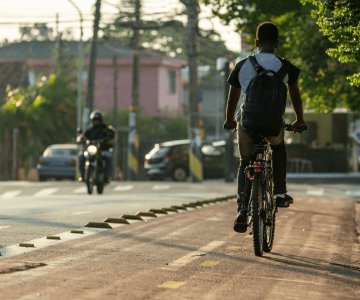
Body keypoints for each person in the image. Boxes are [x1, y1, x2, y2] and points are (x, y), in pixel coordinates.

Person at [223, 21, 307, 233]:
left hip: (248, 123)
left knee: (245, 162)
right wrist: (299, 120)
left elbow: (232, 99)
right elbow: (296, 98)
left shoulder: (242, 65)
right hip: (273, 124)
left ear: (257, 42)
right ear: (277, 43)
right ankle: (279, 193)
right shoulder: (285, 67)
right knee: (278, 149)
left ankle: (242, 209)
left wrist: (230, 120)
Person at [77, 110, 115, 183]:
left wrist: (109, 139)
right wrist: (80, 139)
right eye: (94, 120)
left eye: (97, 120)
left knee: (109, 157)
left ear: (100, 120)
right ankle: (82, 175)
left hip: (103, 150)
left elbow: (112, 134)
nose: (96, 122)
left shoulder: (105, 129)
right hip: (91, 151)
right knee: (81, 156)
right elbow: (83, 136)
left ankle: (106, 176)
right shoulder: (89, 130)